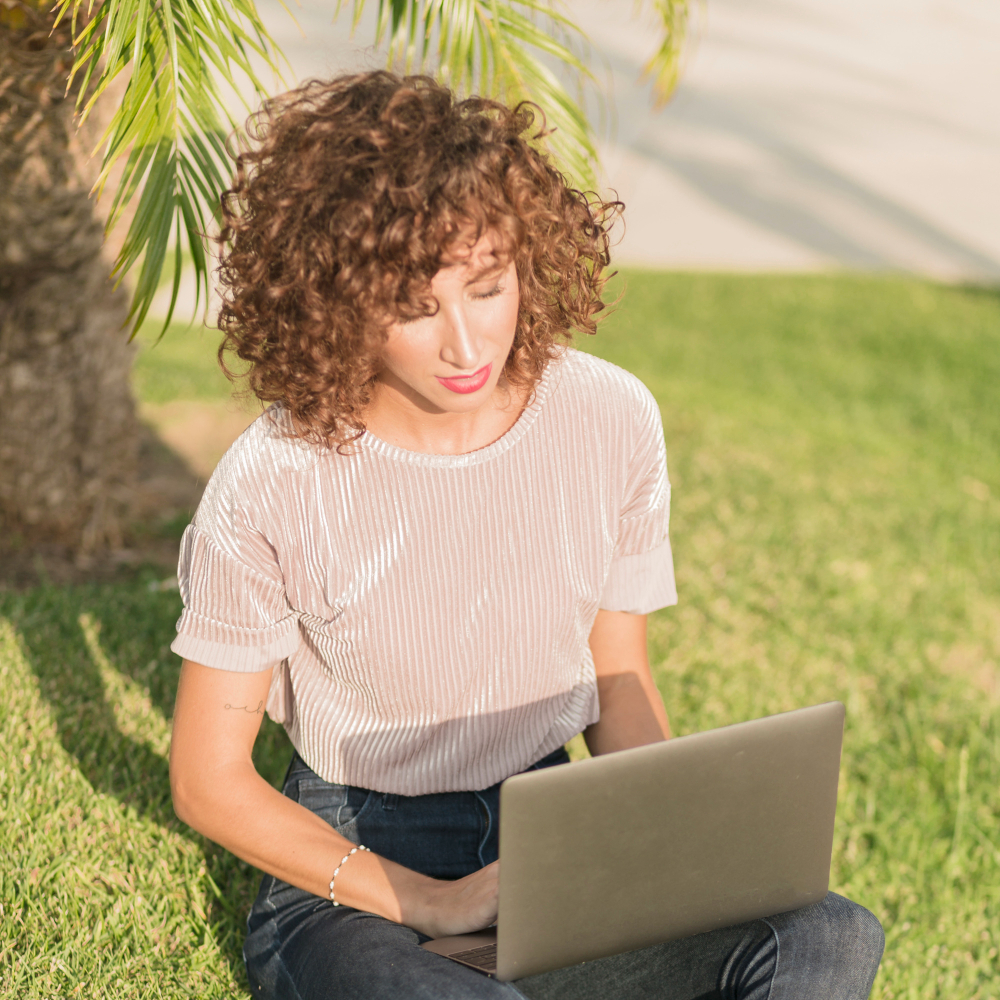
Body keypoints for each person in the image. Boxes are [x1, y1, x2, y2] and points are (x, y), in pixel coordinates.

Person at [167, 71, 884, 1000]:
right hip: (359, 868)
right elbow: (207, 780)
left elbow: (617, 683)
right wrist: (427, 901)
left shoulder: (608, 416)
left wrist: (671, 855)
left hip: (554, 839)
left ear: (525, 262)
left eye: (487, 287)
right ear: (336, 300)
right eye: (416, 308)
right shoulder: (275, 476)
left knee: (822, 935)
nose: (467, 346)